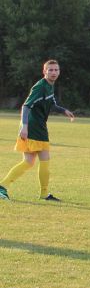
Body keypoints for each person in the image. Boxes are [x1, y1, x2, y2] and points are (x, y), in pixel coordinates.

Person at [0, 59, 76, 202]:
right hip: (33, 127)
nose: (53, 72)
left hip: (39, 126)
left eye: (56, 70)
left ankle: (5, 187)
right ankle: (42, 193)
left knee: (29, 162)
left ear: (59, 71)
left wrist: (63, 110)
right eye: (50, 70)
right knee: (42, 159)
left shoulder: (49, 86)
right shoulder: (40, 87)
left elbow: (51, 103)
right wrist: (24, 126)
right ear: (44, 71)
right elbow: (26, 106)